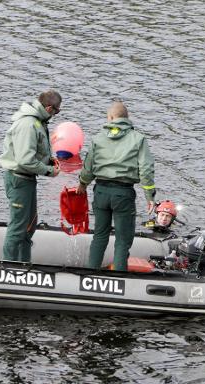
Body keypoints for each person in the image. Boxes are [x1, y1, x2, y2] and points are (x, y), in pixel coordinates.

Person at [76, 101, 155, 271]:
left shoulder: (98, 138)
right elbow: (146, 170)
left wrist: (82, 184)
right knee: (122, 239)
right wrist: (150, 197)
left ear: (111, 118)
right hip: (123, 194)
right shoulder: (138, 139)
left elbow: (88, 167)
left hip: (101, 192)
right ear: (127, 118)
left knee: (99, 236)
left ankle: (91, 274)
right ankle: (118, 279)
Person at [0, 90, 62, 262]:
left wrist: (49, 160)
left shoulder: (38, 122)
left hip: (27, 180)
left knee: (29, 226)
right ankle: (8, 267)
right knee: (18, 228)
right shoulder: (28, 124)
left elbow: (35, 151)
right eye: (57, 111)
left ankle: (23, 264)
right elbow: (25, 160)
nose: (55, 115)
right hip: (19, 180)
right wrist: (49, 171)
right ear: (49, 108)